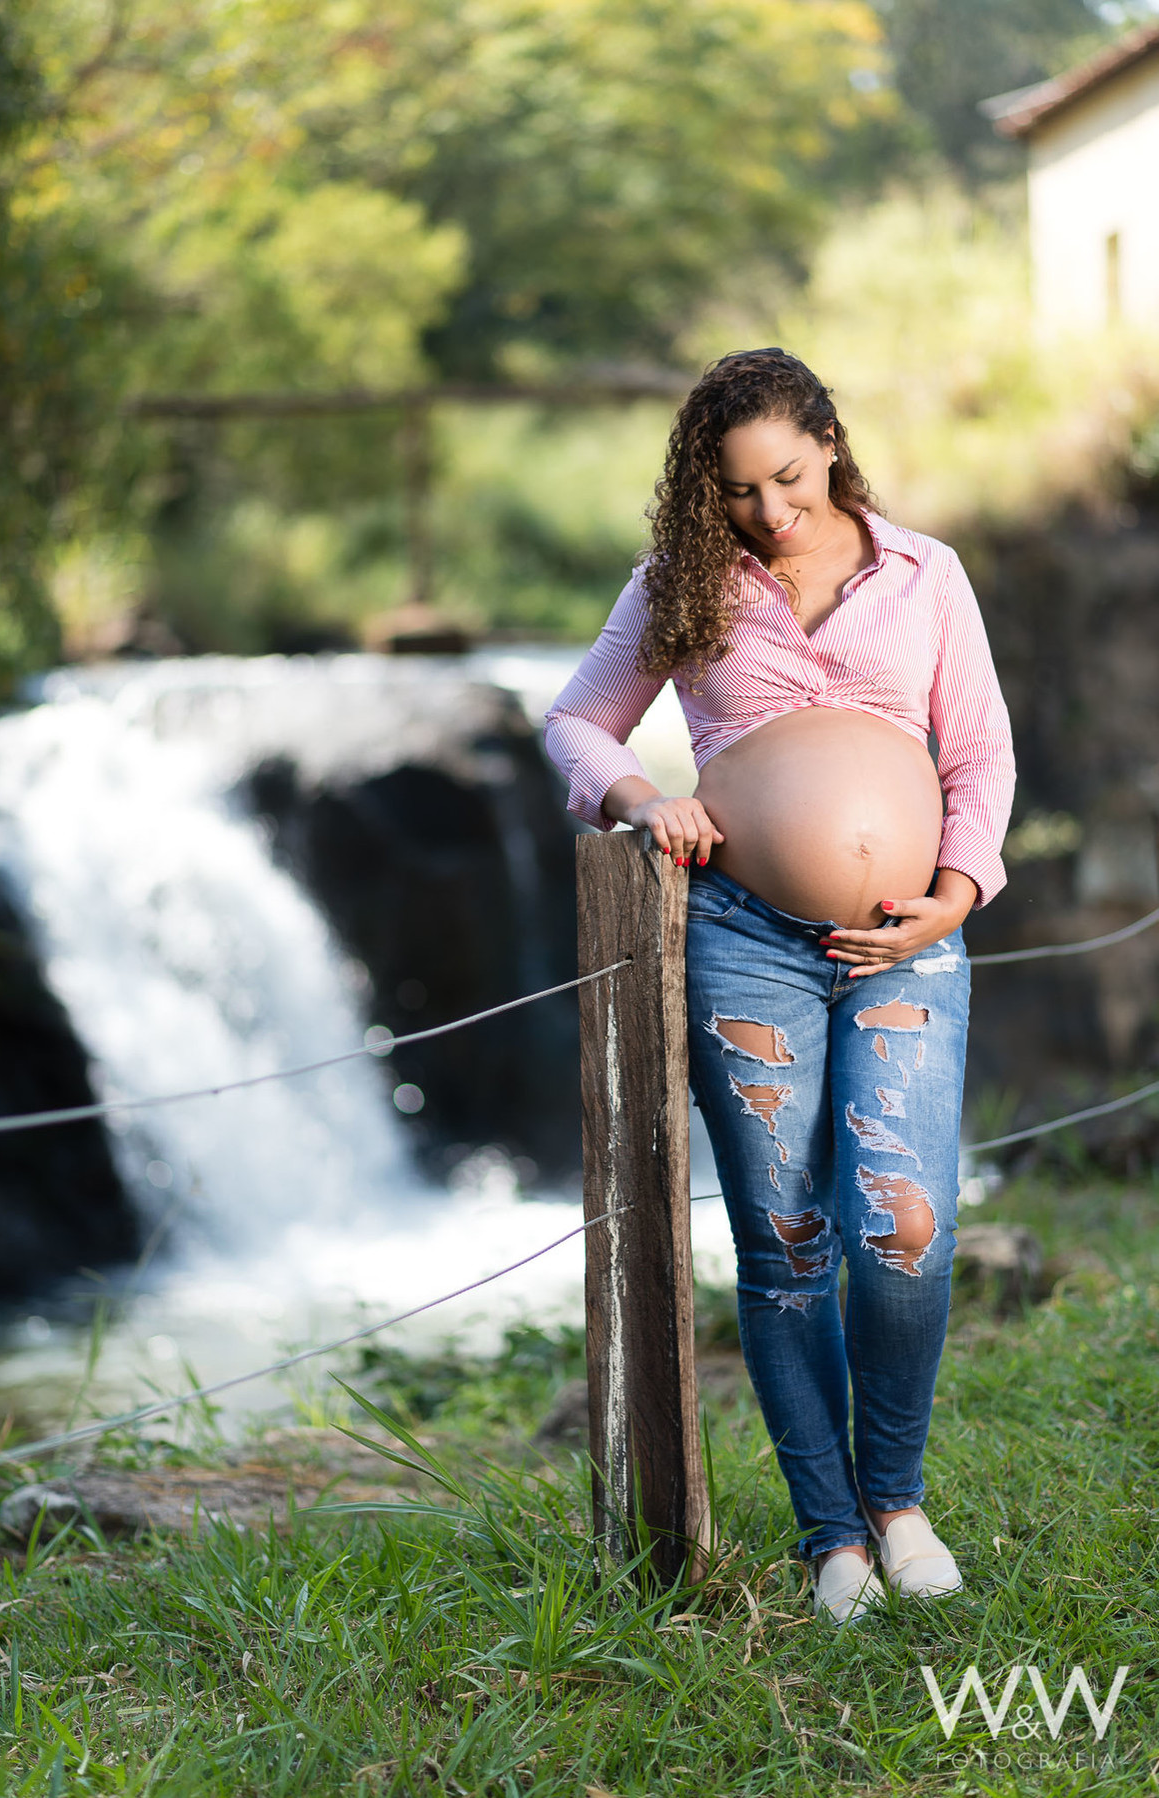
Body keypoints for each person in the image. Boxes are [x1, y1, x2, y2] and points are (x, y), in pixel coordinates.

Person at [544, 348, 1015, 1625]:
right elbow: (576, 723)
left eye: (790, 478)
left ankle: (898, 1498)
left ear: (829, 443)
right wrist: (648, 797)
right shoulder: (681, 585)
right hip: (745, 940)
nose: (771, 512)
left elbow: (977, 755)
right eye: (740, 491)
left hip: (909, 940)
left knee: (902, 1229)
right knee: (788, 1239)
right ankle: (832, 1537)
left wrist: (958, 890)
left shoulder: (925, 575)